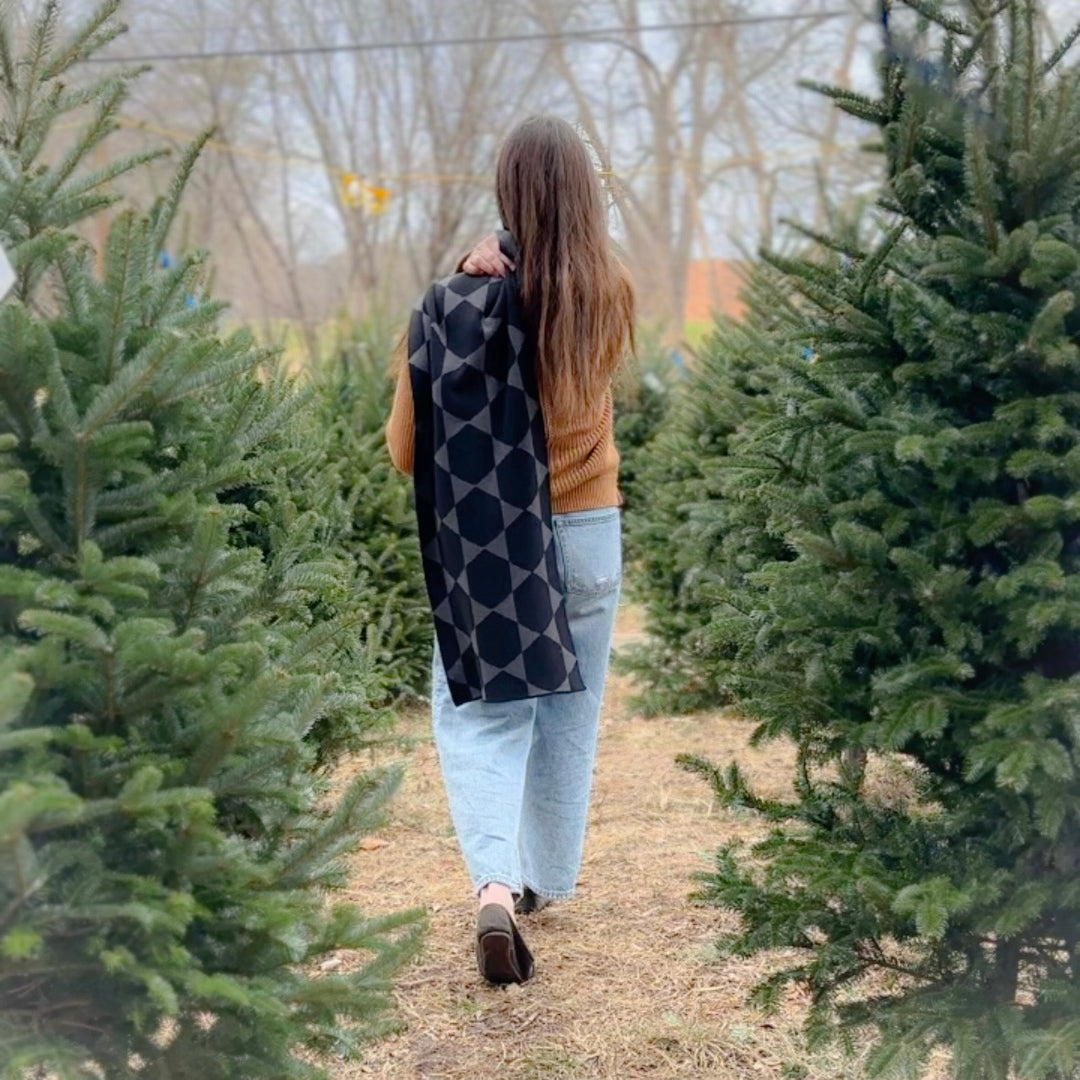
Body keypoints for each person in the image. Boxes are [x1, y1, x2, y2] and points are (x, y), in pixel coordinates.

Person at [385, 115, 634, 985]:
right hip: (591, 534)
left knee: (482, 715)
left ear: (506, 193)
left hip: (500, 544)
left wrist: (464, 281)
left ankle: (495, 886)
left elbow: (408, 449)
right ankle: (542, 881)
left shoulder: (455, 305)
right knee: (570, 712)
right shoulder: (609, 292)